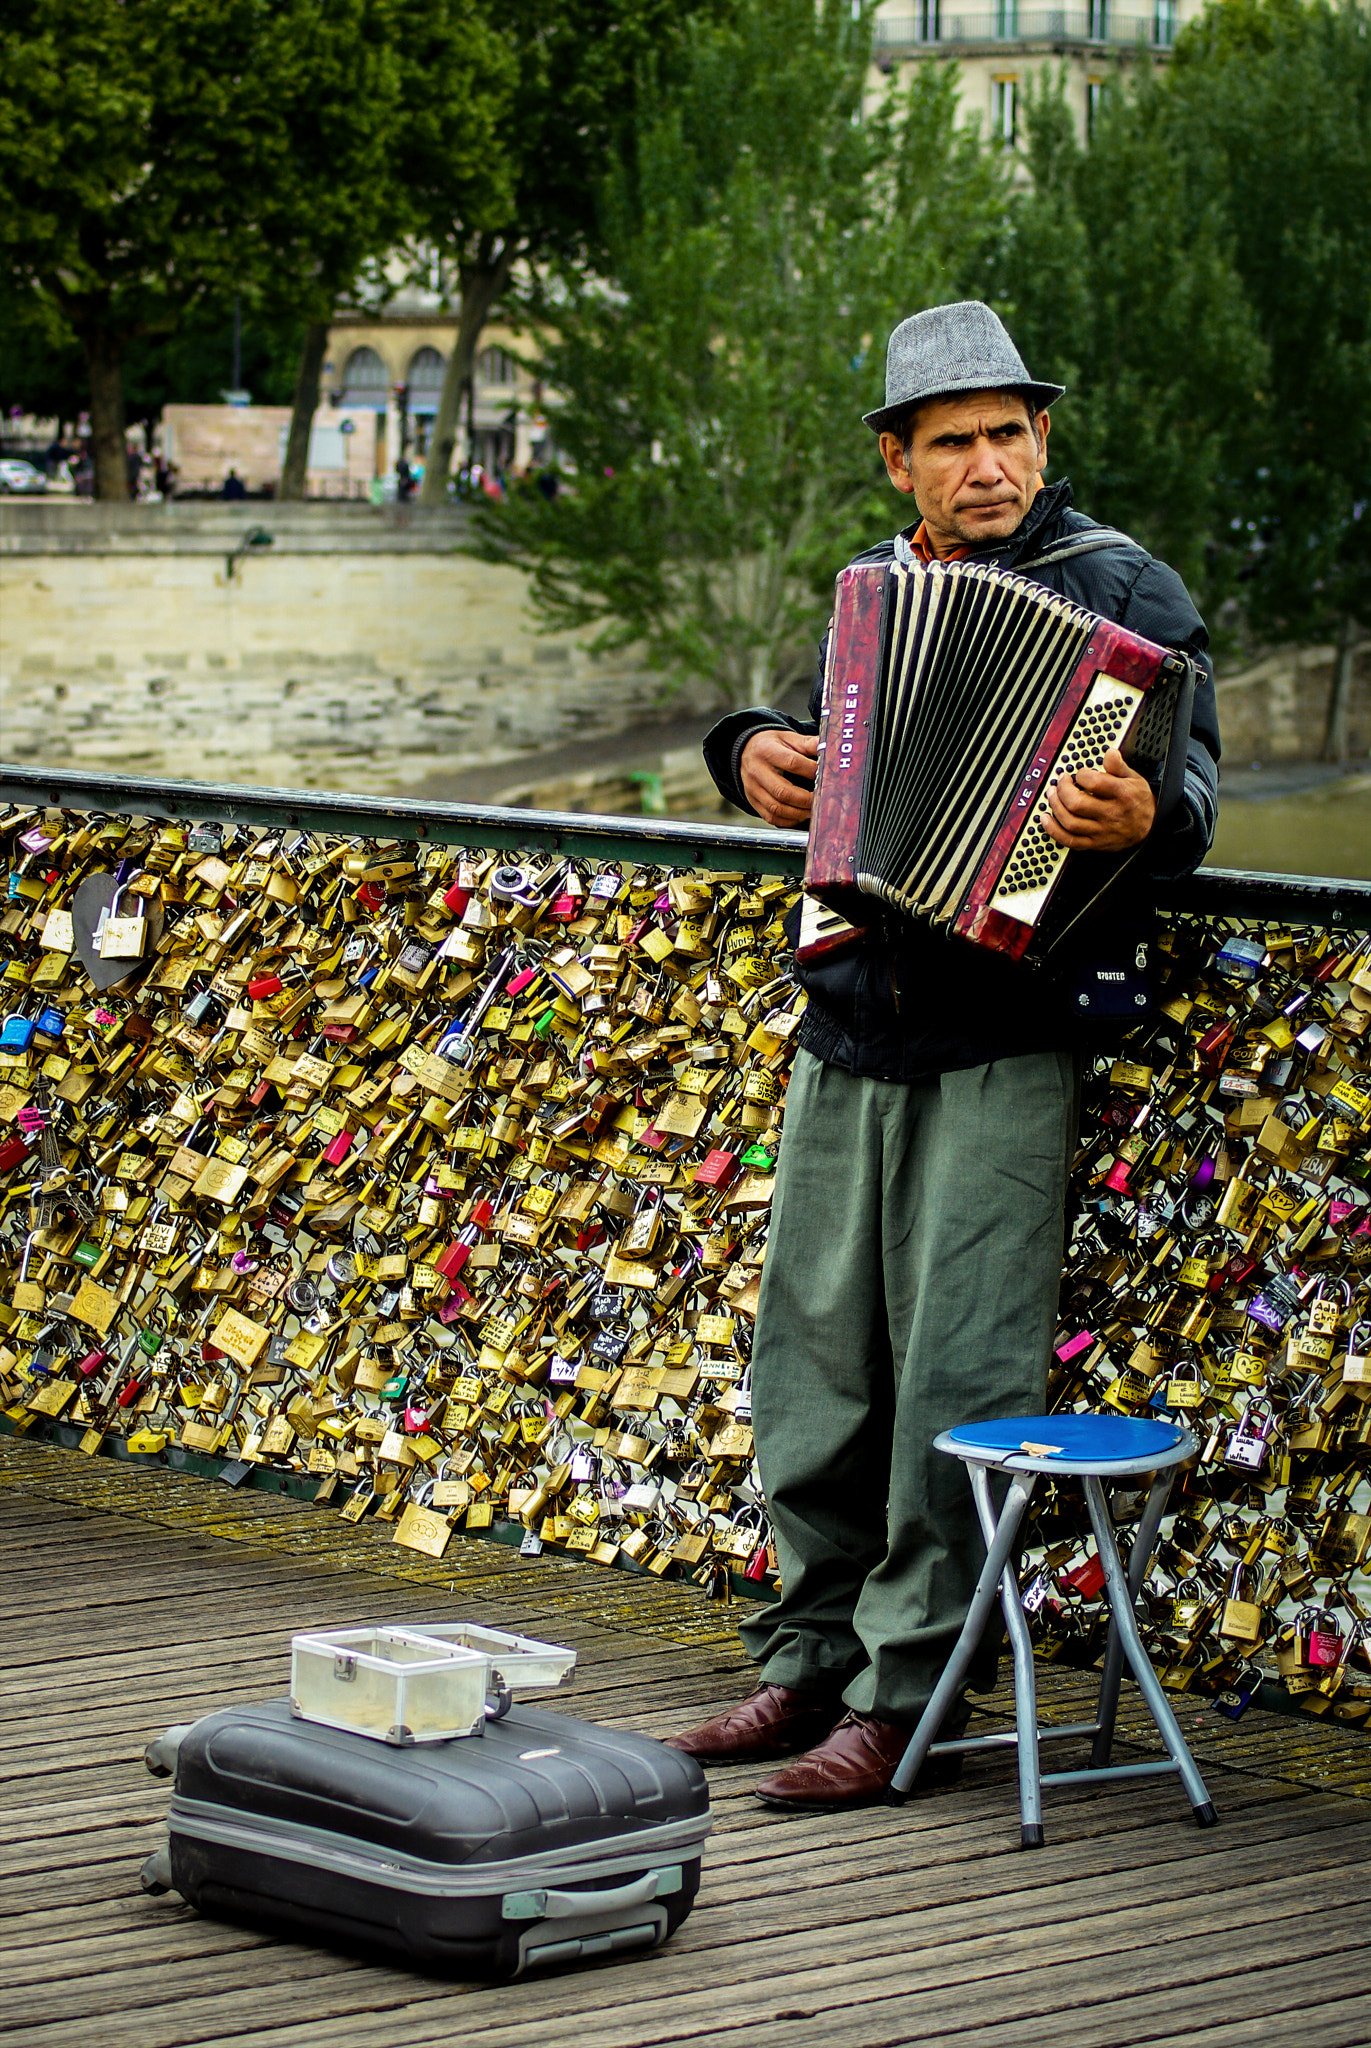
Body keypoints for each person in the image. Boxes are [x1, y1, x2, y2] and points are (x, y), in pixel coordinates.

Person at [668, 301, 1220, 1813]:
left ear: (1042, 440)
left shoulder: (1121, 588)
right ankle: (806, 1658)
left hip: (1006, 1022)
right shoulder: (875, 590)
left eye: (1009, 435)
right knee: (816, 1356)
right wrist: (747, 752)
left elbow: (1186, 795)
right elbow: (822, 735)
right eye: (953, 442)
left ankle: (906, 1690)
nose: (987, 466)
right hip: (853, 1016)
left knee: (957, 1372)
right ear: (897, 461)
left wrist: (1146, 822)